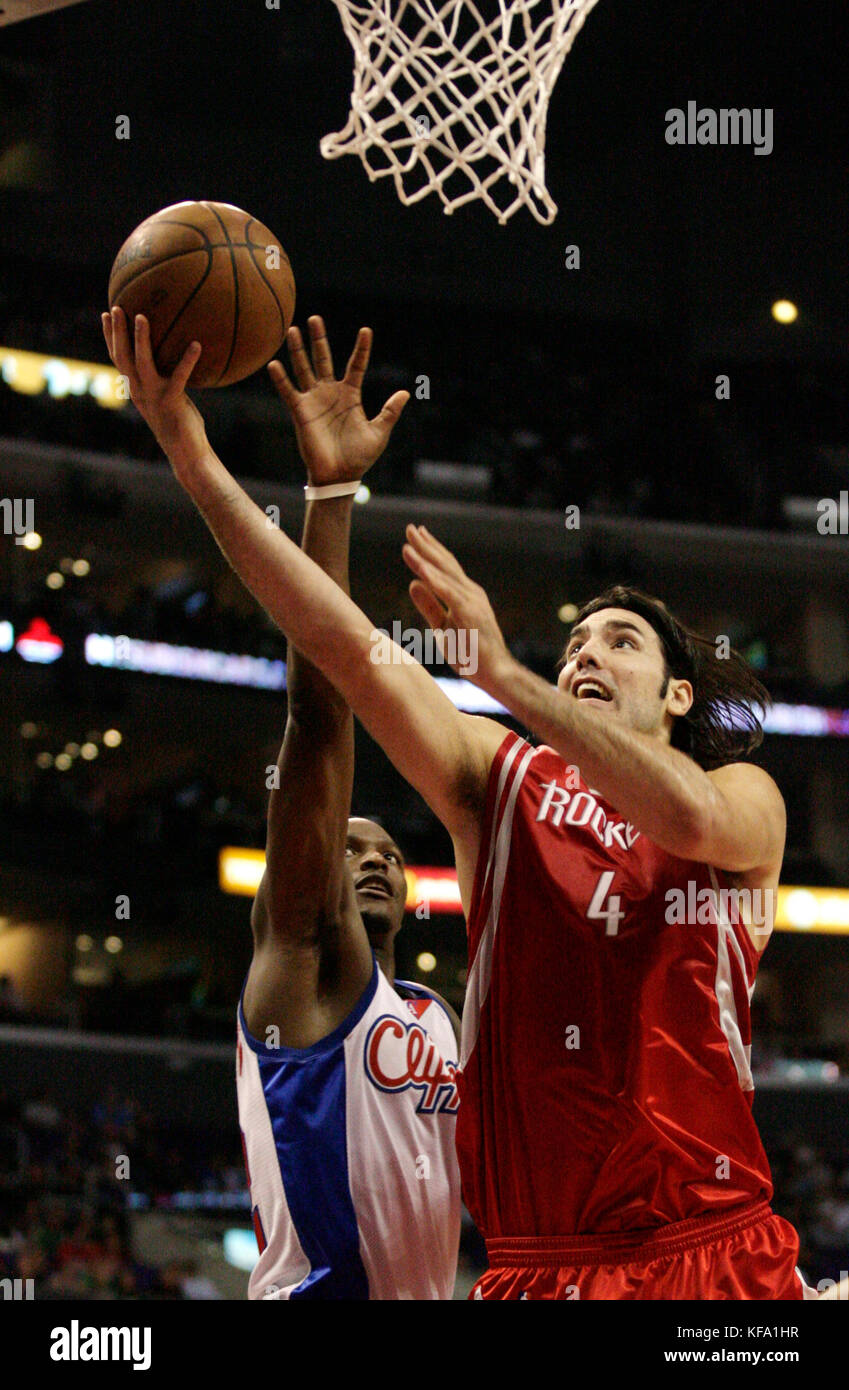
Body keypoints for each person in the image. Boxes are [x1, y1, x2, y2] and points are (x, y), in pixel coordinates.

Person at [101, 307, 810, 1300]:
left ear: (678, 694)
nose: (586, 655)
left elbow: (685, 818)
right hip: (539, 1269)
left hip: (711, 1252)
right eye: (575, 643)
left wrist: (510, 675)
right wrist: (192, 453)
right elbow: (338, 648)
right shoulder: (504, 778)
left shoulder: (745, 799)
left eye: (618, 642)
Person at [102, 313, 461, 1299]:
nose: (375, 855)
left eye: (388, 847)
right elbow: (318, 712)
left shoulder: (440, 1017)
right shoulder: (298, 966)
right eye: (350, 845)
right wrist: (332, 494)